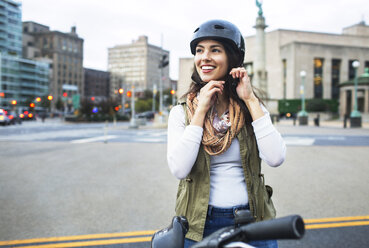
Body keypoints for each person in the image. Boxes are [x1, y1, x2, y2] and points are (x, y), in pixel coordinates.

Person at [167, 20, 286, 248]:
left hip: (253, 220)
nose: (205, 57)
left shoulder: (252, 109)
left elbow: (275, 158)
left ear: (232, 59)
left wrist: (250, 99)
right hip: (201, 224)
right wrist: (201, 109)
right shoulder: (181, 113)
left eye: (215, 50)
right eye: (200, 50)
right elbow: (179, 169)